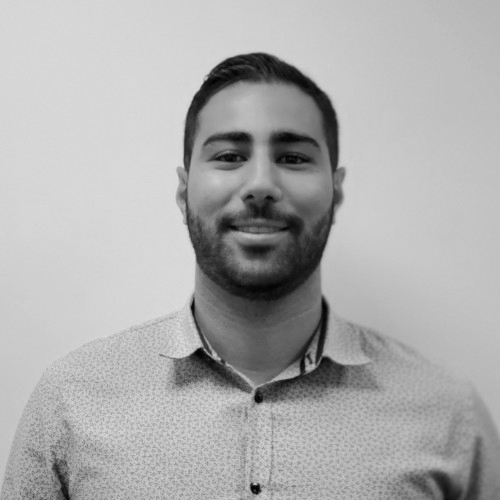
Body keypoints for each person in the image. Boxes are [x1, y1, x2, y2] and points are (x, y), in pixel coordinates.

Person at [2, 52, 499, 500]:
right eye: (229, 157)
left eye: (293, 158)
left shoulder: (447, 415)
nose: (260, 184)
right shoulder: (71, 399)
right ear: (184, 191)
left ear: (337, 191)